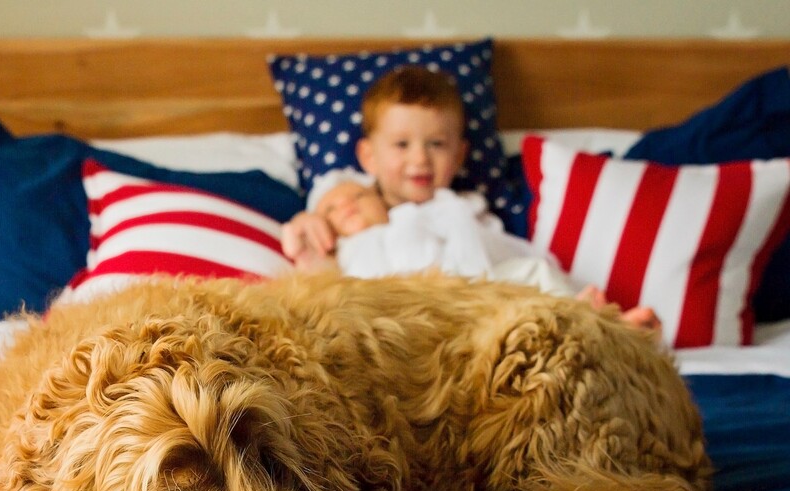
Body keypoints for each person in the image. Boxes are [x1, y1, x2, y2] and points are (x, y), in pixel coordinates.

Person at [282, 66, 661, 331]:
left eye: (436, 144)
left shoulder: (459, 208)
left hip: (477, 305)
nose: (420, 159)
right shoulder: (352, 202)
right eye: (402, 145)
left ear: (460, 155)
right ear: (368, 156)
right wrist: (307, 225)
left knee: (533, 274)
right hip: (395, 316)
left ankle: (603, 329)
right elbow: (316, 237)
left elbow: (500, 256)